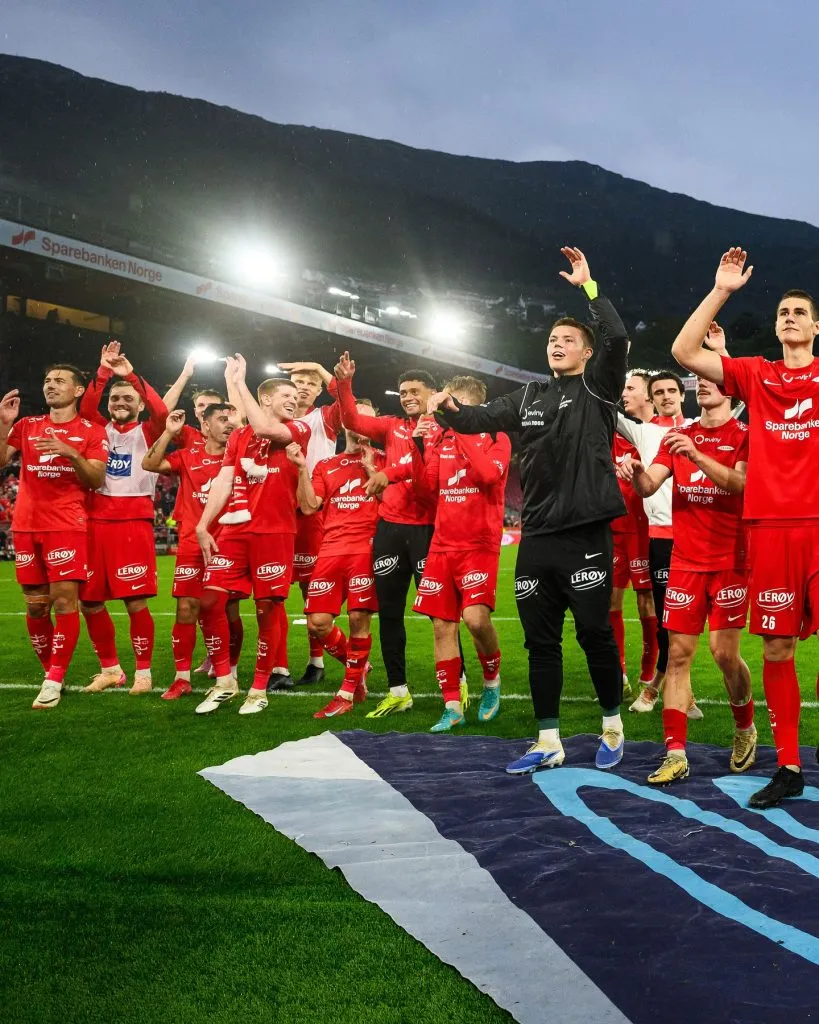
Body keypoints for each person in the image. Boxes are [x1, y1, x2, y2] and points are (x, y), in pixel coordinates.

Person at [430, 247, 627, 774]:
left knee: (594, 635)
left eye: (568, 340)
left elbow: (617, 337)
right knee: (541, 643)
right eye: (552, 340)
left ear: (587, 353)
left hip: (585, 533)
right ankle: (548, 741)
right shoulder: (528, 396)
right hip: (538, 538)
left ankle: (612, 724)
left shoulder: (599, 387)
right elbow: (476, 418)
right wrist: (449, 409)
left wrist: (588, 288)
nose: (557, 344)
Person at [671, 246, 819, 808]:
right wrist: (722, 291)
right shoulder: (758, 374)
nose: (789, 318)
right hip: (770, 530)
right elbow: (684, 351)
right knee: (777, 650)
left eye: (800, 312)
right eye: (783, 312)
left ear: (816, 327)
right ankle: (788, 766)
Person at [628, 377, 755, 783]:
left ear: (729, 390)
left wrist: (697, 456)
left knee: (723, 654)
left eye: (711, 380)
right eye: (699, 380)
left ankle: (745, 727)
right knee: (678, 656)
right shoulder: (678, 437)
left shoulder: (744, 435)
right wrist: (636, 474)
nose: (702, 385)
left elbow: (742, 484)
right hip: (685, 561)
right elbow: (649, 485)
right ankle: (675, 752)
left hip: (730, 561)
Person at [194, 359, 310, 716]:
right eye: (287, 395)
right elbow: (225, 480)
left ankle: (258, 689)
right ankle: (225, 681)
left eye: (296, 396)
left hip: (275, 531)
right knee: (210, 601)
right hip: (235, 529)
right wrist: (203, 524)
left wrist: (239, 382)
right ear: (267, 399)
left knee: (266, 608)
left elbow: (263, 426)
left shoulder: (298, 428)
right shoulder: (239, 436)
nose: (294, 400)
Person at [335, 360, 441, 717]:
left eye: (415, 391)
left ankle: (456, 686)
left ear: (432, 393)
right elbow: (352, 420)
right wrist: (345, 384)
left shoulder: (444, 427)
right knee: (390, 613)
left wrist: (390, 473)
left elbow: (427, 467)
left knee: (440, 614)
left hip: (428, 528)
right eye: (403, 392)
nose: (407, 397)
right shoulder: (392, 426)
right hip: (390, 530)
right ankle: (398, 690)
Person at [0, 370, 108, 709]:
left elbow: (96, 479)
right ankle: (51, 672)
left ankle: (54, 679)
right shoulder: (27, 425)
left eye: (60, 381)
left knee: (64, 602)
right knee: (35, 605)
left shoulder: (92, 431)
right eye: (47, 380)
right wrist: (4, 424)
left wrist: (71, 453)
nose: (50, 384)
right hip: (25, 525)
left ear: (78, 390)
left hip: (65, 525)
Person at [411, 375, 510, 732]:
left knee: (475, 620)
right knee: (442, 626)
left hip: (478, 544)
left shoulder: (497, 437)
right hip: (442, 545)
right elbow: (426, 491)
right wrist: (420, 445)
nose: (442, 406)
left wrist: (461, 427)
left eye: (449, 401)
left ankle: (492, 681)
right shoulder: (442, 439)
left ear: (465, 404)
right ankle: (451, 705)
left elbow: (486, 476)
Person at [78, 342, 168, 694]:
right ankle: (110, 669)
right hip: (95, 521)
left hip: (133, 521)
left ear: (139, 404)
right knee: (89, 601)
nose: (120, 403)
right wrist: (103, 372)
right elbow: (87, 408)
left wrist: (130, 375)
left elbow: (162, 411)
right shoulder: (98, 429)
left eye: (128, 398)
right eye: (115, 399)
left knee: (135, 600)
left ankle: (143, 672)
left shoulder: (150, 431)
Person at [615, 371, 703, 719]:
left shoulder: (698, 427)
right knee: (669, 619)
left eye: (671, 390)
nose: (666, 396)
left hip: (699, 535)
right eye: (659, 392)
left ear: (683, 394)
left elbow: (734, 397)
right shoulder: (643, 431)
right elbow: (602, 408)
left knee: (695, 623)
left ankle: (671, 688)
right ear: (652, 399)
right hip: (662, 538)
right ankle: (661, 688)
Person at [141, 403, 239, 699]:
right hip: (191, 543)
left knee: (221, 609)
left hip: (228, 543)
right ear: (205, 425)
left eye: (232, 419)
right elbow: (149, 464)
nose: (229, 424)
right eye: (222, 419)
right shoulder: (187, 455)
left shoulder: (239, 457)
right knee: (185, 609)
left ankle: (228, 673)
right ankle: (181, 677)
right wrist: (168, 433)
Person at [295, 397, 383, 718]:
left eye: (367, 420)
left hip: (366, 549)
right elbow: (309, 506)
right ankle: (358, 666)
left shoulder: (385, 460)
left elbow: (395, 504)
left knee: (359, 619)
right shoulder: (326, 465)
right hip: (330, 549)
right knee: (317, 624)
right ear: (345, 422)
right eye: (355, 419)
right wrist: (301, 469)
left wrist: (373, 471)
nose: (360, 427)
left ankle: (347, 692)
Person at [265, 360, 343, 691]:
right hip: (276, 511)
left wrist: (318, 367)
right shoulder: (272, 421)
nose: (304, 386)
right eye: (298, 381)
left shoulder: (325, 417)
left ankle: (317, 662)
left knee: (312, 591)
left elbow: (346, 399)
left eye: (312, 383)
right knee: (273, 593)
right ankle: (279, 668)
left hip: (313, 512)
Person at [610, 371, 658, 697]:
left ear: (647, 395)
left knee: (647, 602)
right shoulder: (612, 433)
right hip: (613, 530)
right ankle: (619, 673)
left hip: (645, 530)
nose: (624, 393)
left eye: (630, 388)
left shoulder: (658, 434)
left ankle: (648, 673)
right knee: (610, 602)